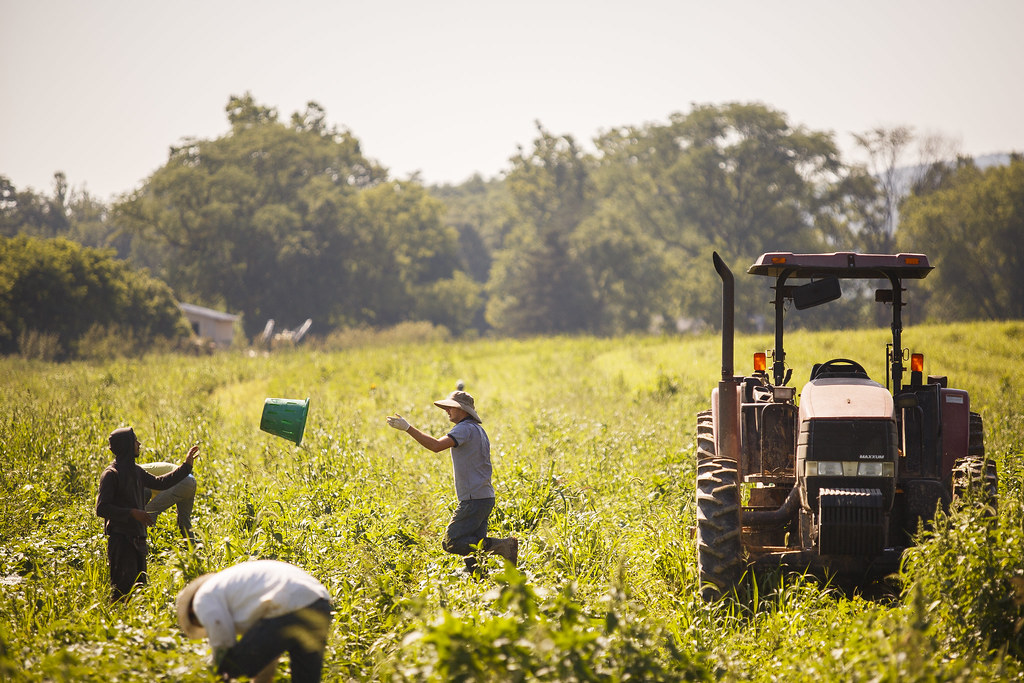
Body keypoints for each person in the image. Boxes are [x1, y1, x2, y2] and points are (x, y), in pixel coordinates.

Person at [386, 386, 518, 574]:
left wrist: (408, 428)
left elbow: (435, 446)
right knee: (474, 550)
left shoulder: (464, 429)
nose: (447, 411)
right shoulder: (479, 430)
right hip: (484, 496)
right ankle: (479, 582)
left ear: (463, 410)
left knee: (452, 541)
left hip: (473, 499)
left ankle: (504, 546)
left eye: (451, 407)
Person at [176, 559, 333, 683]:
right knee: (306, 678)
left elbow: (222, 642)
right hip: (319, 603)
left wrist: (220, 671)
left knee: (229, 668)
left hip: (288, 604)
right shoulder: (241, 594)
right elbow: (266, 653)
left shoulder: (203, 598)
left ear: (192, 611)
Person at [95, 426, 199, 602]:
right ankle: (117, 625)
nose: (139, 444)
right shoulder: (111, 474)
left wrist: (186, 466)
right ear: (127, 445)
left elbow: (161, 483)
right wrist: (132, 513)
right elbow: (102, 508)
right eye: (135, 440)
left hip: (138, 540)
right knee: (122, 593)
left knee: (140, 592)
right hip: (121, 541)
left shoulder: (136, 471)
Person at [139, 460, 197, 540]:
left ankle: (148, 543)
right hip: (190, 480)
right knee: (184, 520)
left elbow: (146, 492)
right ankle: (192, 547)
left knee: (149, 511)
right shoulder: (139, 469)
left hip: (181, 480)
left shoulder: (134, 471)